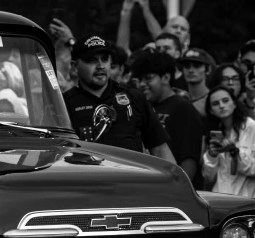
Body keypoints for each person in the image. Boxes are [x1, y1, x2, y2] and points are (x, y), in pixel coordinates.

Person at [63, 34, 175, 162]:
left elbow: (160, 150)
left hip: (130, 180)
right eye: (91, 60)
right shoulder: (63, 104)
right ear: (74, 66)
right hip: (88, 180)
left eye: (105, 59)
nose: (100, 66)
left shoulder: (135, 98)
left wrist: (176, 181)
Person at [133, 51, 203, 181]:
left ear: (165, 78)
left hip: (174, 188)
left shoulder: (183, 108)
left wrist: (181, 190)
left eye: (148, 78)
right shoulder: (142, 108)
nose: (142, 84)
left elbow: (190, 158)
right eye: (140, 79)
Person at [202, 86, 255, 198]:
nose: (221, 106)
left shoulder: (254, 128)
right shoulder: (214, 133)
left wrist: (234, 152)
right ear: (211, 111)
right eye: (215, 103)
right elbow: (209, 177)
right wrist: (211, 156)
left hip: (247, 200)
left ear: (235, 104)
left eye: (225, 101)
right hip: (220, 198)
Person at [179, 47, 215, 117]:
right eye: (187, 66)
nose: (191, 70)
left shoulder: (214, 100)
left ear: (208, 70)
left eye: (197, 66)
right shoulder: (178, 98)